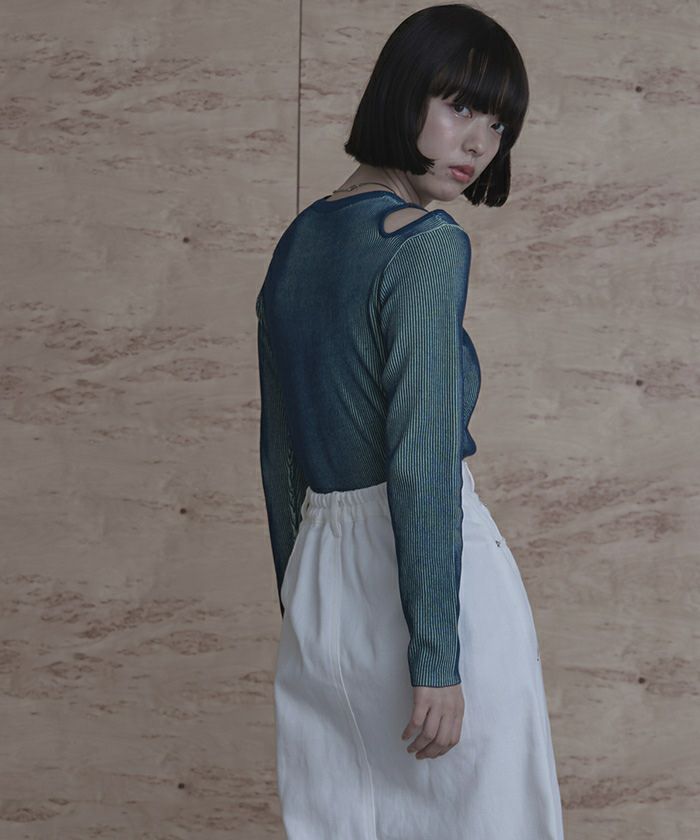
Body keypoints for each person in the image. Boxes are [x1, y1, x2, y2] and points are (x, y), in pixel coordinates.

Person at [255, 4, 566, 838]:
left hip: (323, 583)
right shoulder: (425, 243)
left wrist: (301, 606)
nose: (479, 143)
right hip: (434, 585)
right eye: (460, 106)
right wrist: (435, 655)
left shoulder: (298, 244)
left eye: (497, 125)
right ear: (402, 91)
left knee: (341, 821)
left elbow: (280, 455)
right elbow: (421, 457)